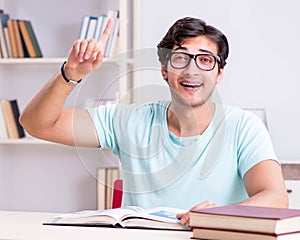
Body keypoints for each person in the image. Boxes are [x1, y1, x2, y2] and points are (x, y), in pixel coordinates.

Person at [19, 17, 288, 226]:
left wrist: (221, 215)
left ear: (219, 73)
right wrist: (71, 73)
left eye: (205, 60)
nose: (192, 70)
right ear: (164, 69)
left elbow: (276, 198)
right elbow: (38, 124)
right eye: (180, 58)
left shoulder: (244, 127)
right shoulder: (126, 119)